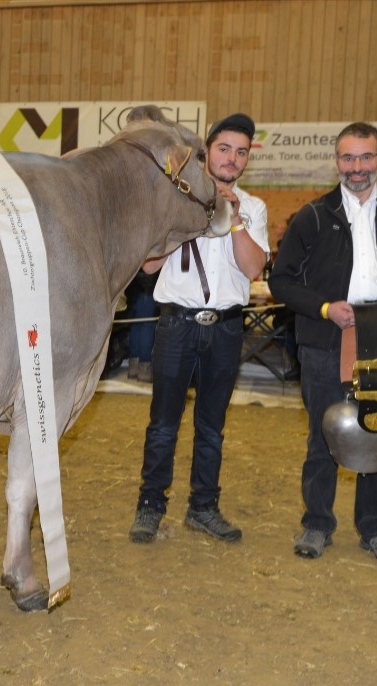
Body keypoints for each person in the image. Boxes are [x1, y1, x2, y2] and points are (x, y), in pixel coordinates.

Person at [268, 121, 377, 564]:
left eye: (365, 157)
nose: (357, 167)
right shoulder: (311, 216)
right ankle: (317, 524)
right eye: (348, 158)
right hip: (324, 340)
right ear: (337, 161)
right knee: (321, 434)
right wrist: (326, 307)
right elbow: (281, 281)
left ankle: (376, 529)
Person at [128, 113, 269, 544]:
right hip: (177, 324)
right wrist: (183, 217)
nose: (232, 159)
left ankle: (203, 507)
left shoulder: (254, 206)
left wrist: (235, 217)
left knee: (212, 425)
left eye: (241, 151)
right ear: (208, 151)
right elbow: (148, 266)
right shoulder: (176, 196)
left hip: (225, 327)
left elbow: (253, 268)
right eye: (225, 148)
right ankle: (150, 507)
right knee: (163, 423)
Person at [124, 268, 159, 381]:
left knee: (137, 323)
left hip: (134, 278)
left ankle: (133, 367)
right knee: (148, 324)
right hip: (150, 280)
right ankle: (145, 367)